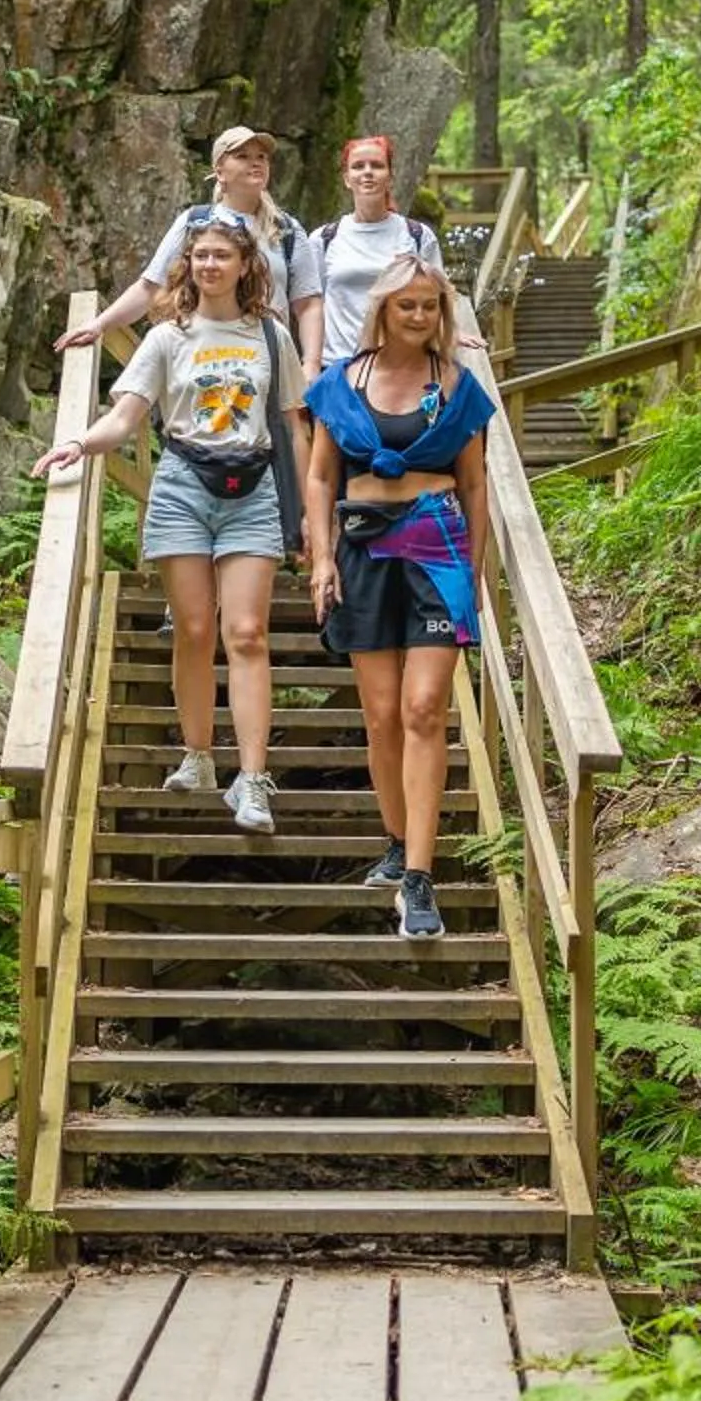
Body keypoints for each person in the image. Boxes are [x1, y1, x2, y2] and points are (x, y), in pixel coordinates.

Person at [32, 210, 309, 834]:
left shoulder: (269, 336)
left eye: (222, 255)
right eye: (202, 255)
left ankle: (254, 780)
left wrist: (313, 515)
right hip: (184, 485)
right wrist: (80, 443)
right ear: (190, 264)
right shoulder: (167, 338)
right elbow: (127, 418)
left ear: (245, 265)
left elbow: (294, 425)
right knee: (191, 628)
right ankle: (199, 755)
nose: (211, 265)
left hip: (253, 490)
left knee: (245, 633)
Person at [302, 254, 496, 937]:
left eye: (430, 306)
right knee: (381, 714)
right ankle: (395, 840)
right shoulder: (341, 383)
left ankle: (419, 878)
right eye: (407, 305)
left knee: (422, 708)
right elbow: (321, 477)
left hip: (435, 542)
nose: (419, 316)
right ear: (382, 307)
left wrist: (473, 572)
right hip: (361, 547)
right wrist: (322, 558)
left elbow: (474, 485)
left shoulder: (457, 386)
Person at [56, 123, 321, 364]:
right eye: (243, 156)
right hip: (202, 358)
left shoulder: (286, 229)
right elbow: (150, 287)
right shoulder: (195, 222)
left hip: (267, 359)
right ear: (219, 170)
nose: (256, 163)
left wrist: (310, 364)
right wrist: (99, 325)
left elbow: (308, 304)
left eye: (261, 157)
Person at [304, 135, 443, 373]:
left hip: (402, 368)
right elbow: (311, 306)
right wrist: (311, 364)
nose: (367, 172)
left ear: (390, 177)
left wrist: (458, 334)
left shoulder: (418, 236)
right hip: (339, 367)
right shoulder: (323, 239)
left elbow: (441, 298)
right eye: (358, 166)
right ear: (347, 179)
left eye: (377, 166)